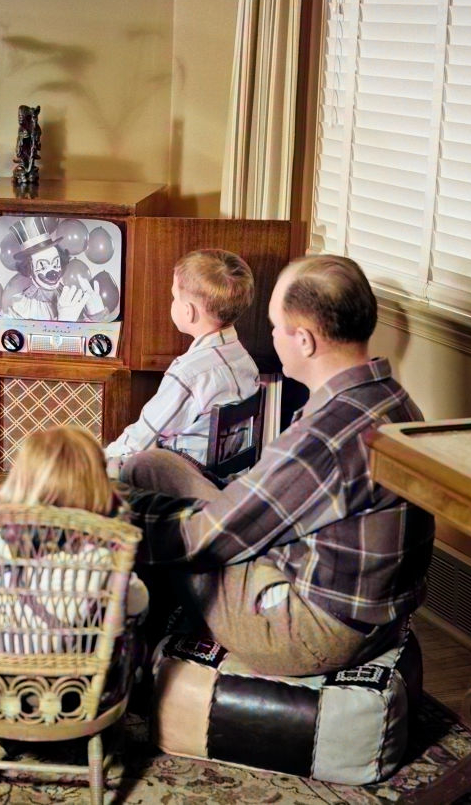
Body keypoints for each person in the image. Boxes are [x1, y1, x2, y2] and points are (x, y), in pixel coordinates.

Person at [121, 254, 435, 677]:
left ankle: (131, 656)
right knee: (150, 466)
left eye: (274, 326)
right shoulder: (390, 397)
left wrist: (115, 521)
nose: (270, 338)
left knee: (148, 525)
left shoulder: (323, 436)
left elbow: (206, 538)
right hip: (370, 614)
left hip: (307, 632)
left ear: (305, 341)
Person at [0, 426, 148, 654]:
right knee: (127, 611)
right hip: (68, 666)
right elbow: (136, 602)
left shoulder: (0, 533)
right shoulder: (96, 548)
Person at [104, 248, 258, 478]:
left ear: (189, 312)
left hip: (182, 481)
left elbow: (140, 439)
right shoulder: (243, 358)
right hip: (222, 480)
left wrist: (99, 459)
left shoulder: (189, 374)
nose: (172, 302)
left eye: (174, 296)